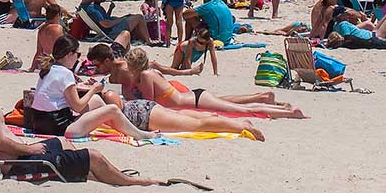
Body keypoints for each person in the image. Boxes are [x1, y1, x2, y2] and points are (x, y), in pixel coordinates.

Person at [0, 46, 167, 186]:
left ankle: (98, 174)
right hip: (13, 163)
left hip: (2, 159)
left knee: (62, 141)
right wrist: (30, 149)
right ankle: (134, 182)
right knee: (94, 156)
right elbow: (1, 142)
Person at [89, 45, 297, 122]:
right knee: (239, 108)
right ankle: (277, 106)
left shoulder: (145, 76)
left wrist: (131, 96)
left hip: (194, 101)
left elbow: (151, 104)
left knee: (242, 110)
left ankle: (289, 112)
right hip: (193, 98)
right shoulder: (149, 73)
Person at [30, 36, 159, 140]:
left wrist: (83, 87)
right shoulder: (66, 73)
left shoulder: (49, 69)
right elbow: (77, 107)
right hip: (60, 128)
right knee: (112, 109)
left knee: (97, 101)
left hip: (39, 123)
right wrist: (94, 89)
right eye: (78, 54)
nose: (78, 58)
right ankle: (140, 134)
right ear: (69, 54)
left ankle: (123, 125)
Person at [82, 0, 154, 45]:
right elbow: (106, 24)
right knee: (139, 17)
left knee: (133, 18)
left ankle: (143, 39)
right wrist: (121, 19)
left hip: (110, 29)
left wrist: (111, 9)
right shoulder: (92, 8)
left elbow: (104, 19)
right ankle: (148, 41)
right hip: (112, 31)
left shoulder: (85, 7)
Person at [31, 5, 66, 71]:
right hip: (54, 63)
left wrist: (32, 68)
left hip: (44, 63)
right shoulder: (57, 28)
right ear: (58, 15)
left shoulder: (41, 28)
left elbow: (39, 52)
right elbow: (61, 49)